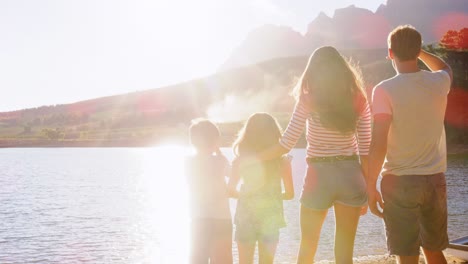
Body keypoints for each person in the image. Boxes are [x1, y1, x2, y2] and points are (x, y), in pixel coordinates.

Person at [256, 46, 371, 263]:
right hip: (351, 175)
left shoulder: (309, 99)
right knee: (345, 252)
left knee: (307, 248)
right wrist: (368, 187)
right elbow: (366, 150)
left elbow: (286, 143)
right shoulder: (359, 99)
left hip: (318, 175)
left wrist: (255, 158)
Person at [367, 25, 453, 264]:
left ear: (390, 53)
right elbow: (445, 67)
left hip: (399, 181)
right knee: (435, 251)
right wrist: (421, 52)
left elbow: (379, 141)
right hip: (435, 179)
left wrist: (370, 185)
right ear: (417, 51)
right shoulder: (438, 83)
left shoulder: (383, 90)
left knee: (407, 256)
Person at [228, 112, 294, 264]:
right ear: (274, 134)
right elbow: (290, 194)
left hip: (245, 217)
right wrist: (275, 195)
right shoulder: (282, 162)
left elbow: (230, 190)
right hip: (270, 218)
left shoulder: (240, 161)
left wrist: (246, 196)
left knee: (244, 261)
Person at [186, 119, 233, 264]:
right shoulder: (220, 161)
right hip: (221, 219)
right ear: (215, 141)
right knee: (222, 259)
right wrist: (220, 155)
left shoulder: (188, 162)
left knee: (198, 259)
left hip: (198, 219)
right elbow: (233, 176)